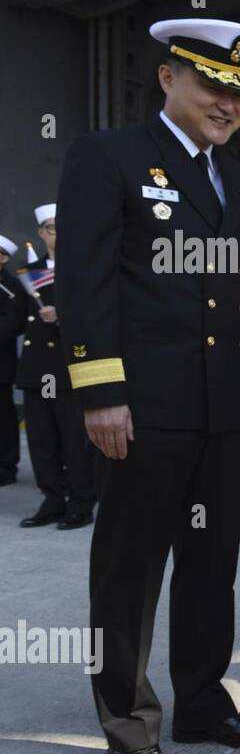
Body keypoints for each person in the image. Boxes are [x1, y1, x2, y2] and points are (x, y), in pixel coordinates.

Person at [56, 18, 240, 754]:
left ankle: (200, 698)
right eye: (212, 85)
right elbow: (85, 286)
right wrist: (100, 392)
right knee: (129, 571)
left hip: (223, 412)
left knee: (211, 563)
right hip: (143, 409)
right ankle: (128, 722)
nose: (228, 105)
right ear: (167, 79)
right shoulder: (111, 157)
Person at [15, 205, 96, 530]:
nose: (55, 233)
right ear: (41, 233)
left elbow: (96, 316)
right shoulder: (28, 272)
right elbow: (18, 319)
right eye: (50, 228)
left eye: (61, 227)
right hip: (37, 369)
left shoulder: (84, 268)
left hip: (68, 368)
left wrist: (62, 315)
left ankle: (80, 502)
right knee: (42, 442)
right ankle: (51, 499)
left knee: (74, 441)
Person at [0, 235, 24, 487]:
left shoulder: (11, 287)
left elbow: (14, 322)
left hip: (1, 364)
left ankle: (6, 466)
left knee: (4, 419)